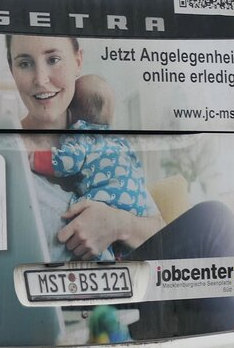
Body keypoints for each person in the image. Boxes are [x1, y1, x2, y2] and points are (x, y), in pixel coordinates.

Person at [7, 33, 234, 337]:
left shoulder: (106, 144)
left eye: (53, 59)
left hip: (136, 288)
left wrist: (116, 224)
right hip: (83, 311)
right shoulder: (3, 156)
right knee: (212, 227)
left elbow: (160, 235)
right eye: (25, 63)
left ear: (78, 61)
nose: (41, 79)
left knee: (213, 224)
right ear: (12, 71)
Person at [29, 73, 150, 261]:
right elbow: (137, 172)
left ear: (69, 114)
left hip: (106, 201)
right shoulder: (118, 142)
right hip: (136, 201)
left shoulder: (81, 134)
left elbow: (67, 162)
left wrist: (34, 159)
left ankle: (108, 260)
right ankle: (117, 255)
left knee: (89, 227)